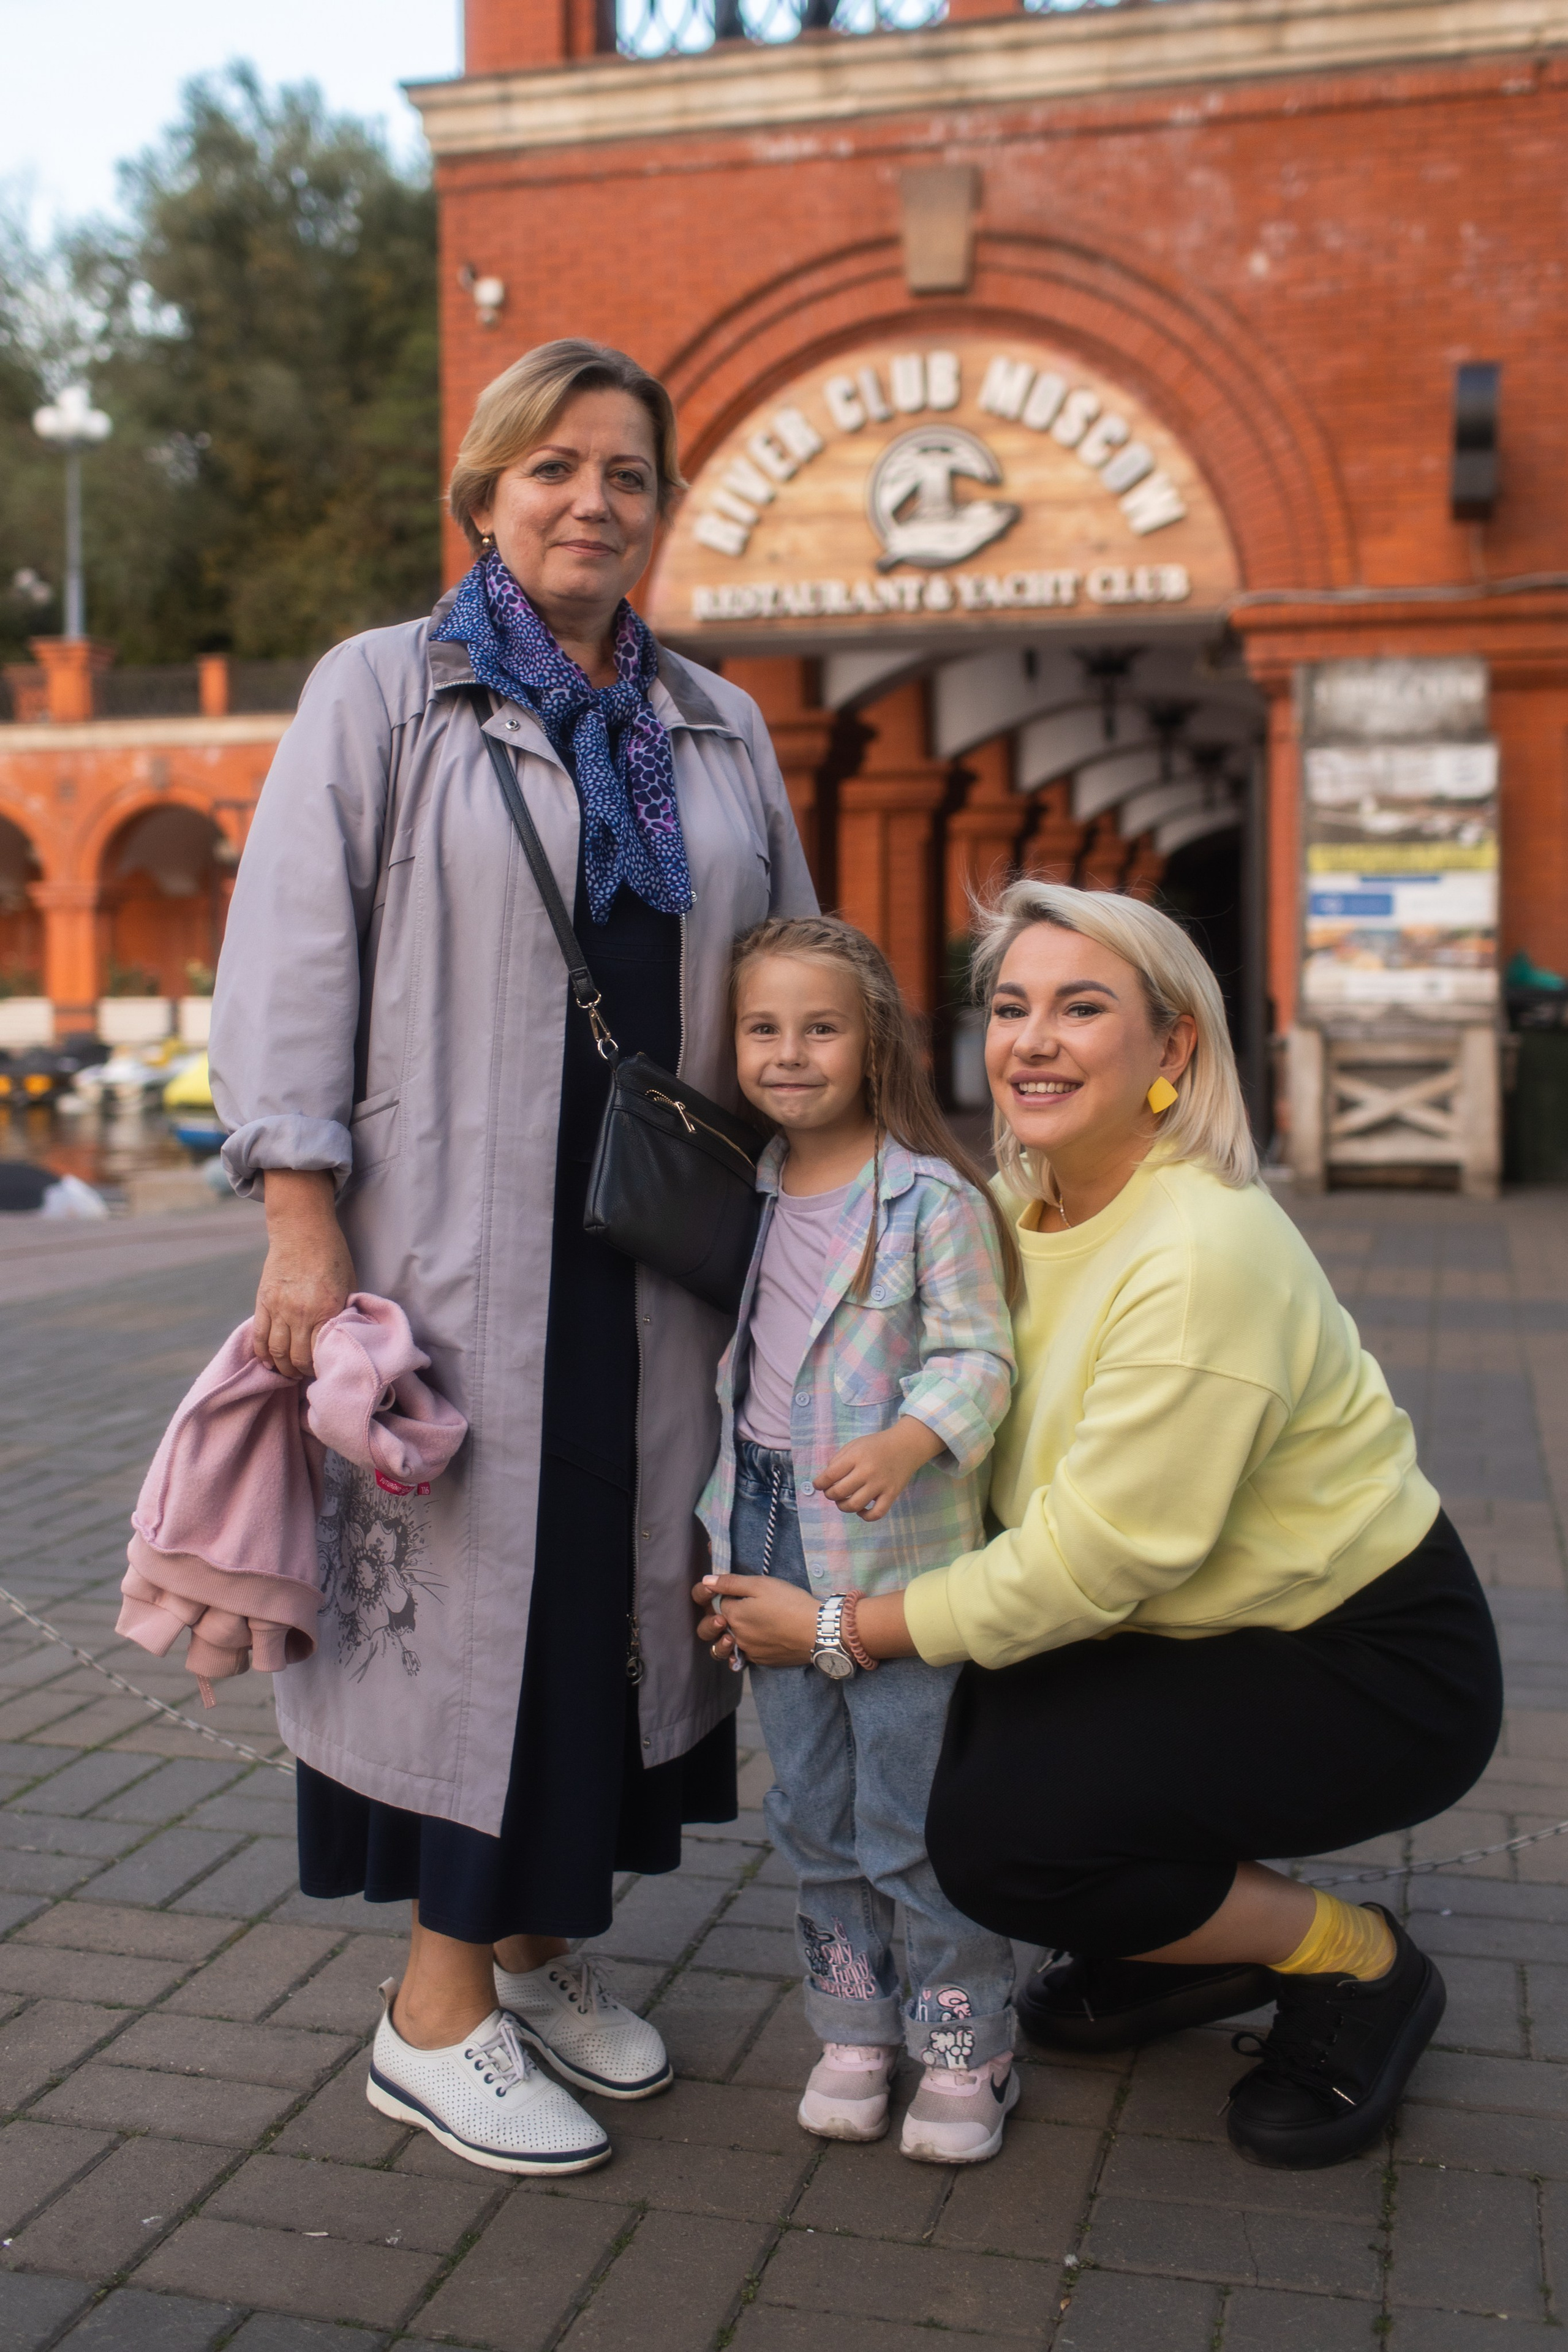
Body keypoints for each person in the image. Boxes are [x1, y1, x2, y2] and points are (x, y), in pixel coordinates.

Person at [209, 338, 816, 2176]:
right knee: (482, 1614)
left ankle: (542, 1946)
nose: (592, 501)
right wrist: (298, 1213)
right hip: (447, 1250)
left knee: (621, 1600)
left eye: (626, 473)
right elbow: (293, 957)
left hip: (652, 1246)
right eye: (553, 468)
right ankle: (432, 2011)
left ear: (658, 506)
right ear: (486, 492)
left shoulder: (716, 723)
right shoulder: (388, 692)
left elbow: (790, 962)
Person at [699, 880, 1502, 2173]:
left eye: (1082, 1008)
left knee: (995, 1835)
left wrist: (844, 1627)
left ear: (1172, 1046)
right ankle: (1160, 1934)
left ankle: (1351, 1963)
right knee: (966, 1760)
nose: (1032, 1040)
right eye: (1010, 1006)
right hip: (1182, 1628)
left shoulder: (1199, 1252)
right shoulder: (1017, 1197)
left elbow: (1100, 1558)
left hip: (1361, 1661)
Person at [696, 916, 1019, 2162]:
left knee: (911, 1811)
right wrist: (710, 1539)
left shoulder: (927, 1198)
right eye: (761, 1028)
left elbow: (981, 1357)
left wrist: (910, 1440)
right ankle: (852, 2025)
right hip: (766, 1522)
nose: (787, 1054)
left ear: (871, 1037)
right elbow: (726, 1388)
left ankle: (965, 2041)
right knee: (811, 1807)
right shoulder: (744, 1193)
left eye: (818, 1027)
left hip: (895, 1551)